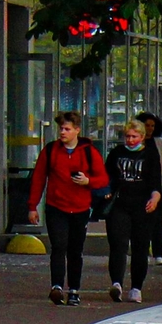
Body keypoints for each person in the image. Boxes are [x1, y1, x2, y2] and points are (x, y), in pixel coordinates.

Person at [25, 111, 108, 304]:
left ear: (77, 130)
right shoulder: (51, 150)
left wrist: (88, 181)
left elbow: (103, 179)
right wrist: (32, 206)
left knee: (75, 250)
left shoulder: (88, 152)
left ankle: (74, 290)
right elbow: (38, 179)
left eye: (67, 129)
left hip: (80, 208)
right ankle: (56, 286)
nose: (62, 132)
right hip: (56, 206)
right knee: (58, 246)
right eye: (61, 128)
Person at [104, 118, 162, 301]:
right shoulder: (116, 153)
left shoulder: (150, 155)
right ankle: (116, 283)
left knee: (140, 247)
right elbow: (107, 177)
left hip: (142, 206)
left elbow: (155, 182)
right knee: (118, 245)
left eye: (134, 137)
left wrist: (155, 198)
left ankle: (136, 287)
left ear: (143, 137)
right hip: (120, 204)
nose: (130, 140)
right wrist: (106, 192)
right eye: (127, 136)